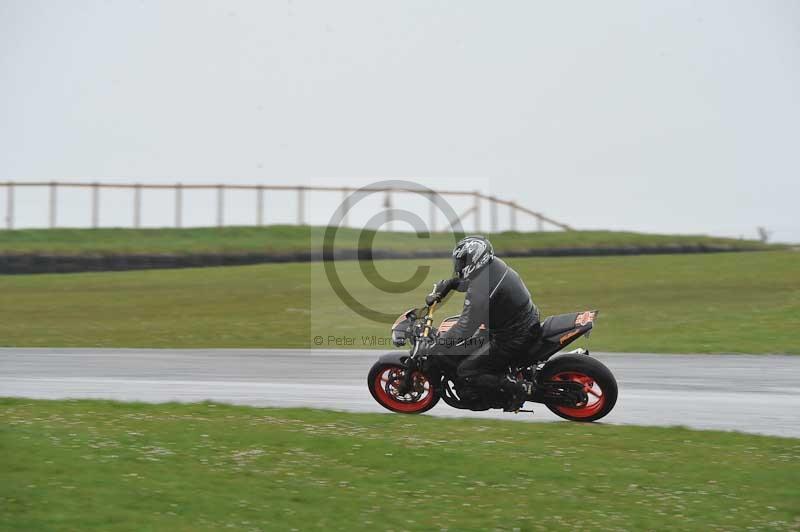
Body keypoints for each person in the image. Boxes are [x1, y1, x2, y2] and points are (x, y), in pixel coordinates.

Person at [422, 236, 541, 410]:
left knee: (467, 370)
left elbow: (465, 328)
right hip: (520, 322)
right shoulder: (492, 266)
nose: (459, 266)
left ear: (476, 260)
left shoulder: (481, 288)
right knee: (470, 347)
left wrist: (437, 345)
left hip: (513, 336)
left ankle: (517, 387)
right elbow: (468, 282)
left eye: (463, 261)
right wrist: (449, 285)